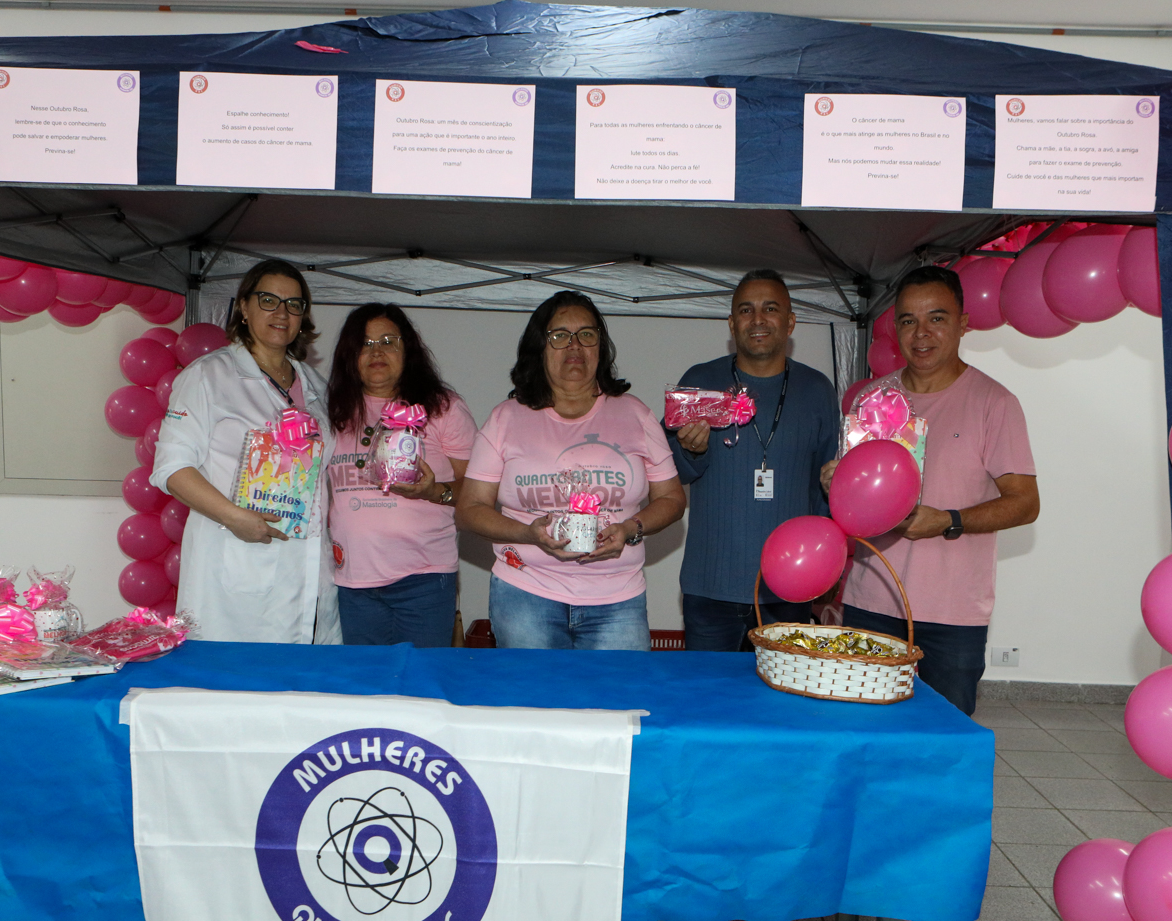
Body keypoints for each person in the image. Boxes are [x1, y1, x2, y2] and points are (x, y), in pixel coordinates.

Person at [826, 264, 1039, 716]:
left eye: (937, 318)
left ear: (963, 323)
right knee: (863, 729)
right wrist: (837, 481)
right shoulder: (873, 399)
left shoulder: (994, 403)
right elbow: (859, 501)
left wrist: (949, 521)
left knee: (945, 740)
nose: (921, 333)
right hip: (871, 600)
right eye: (907, 320)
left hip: (953, 613)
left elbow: (1025, 504)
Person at [457, 291, 687, 650]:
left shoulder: (635, 414)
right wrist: (528, 533)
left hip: (617, 600)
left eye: (587, 334)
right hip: (525, 594)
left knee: (617, 704)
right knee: (535, 705)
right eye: (559, 335)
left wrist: (630, 528)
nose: (574, 345)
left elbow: (672, 499)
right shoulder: (506, 418)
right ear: (540, 347)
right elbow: (469, 510)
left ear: (601, 345)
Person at [151, 260, 341, 644]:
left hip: (307, 566)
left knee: (302, 689)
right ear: (243, 306)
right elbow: (172, 468)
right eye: (268, 300)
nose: (281, 313)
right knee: (233, 689)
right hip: (235, 555)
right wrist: (235, 518)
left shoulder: (317, 385)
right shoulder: (207, 376)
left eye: (294, 304)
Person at [669, 269, 840, 652]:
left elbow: (828, 489)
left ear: (790, 321)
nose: (758, 319)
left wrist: (826, 565)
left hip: (790, 587)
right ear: (732, 324)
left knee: (779, 706)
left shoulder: (817, 390)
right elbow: (667, 473)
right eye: (746, 310)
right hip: (710, 586)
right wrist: (691, 450)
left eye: (771, 309)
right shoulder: (699, 382)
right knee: (709, 704)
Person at [324, 303, 477, 647]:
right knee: (364, 691)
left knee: (419, 688)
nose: (376, 351)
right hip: (353, 581)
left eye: (388, 341)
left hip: (423, 580)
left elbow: (478, 490)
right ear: (350, 355)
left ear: (408, 350)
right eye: (365, 343)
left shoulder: (442, 407)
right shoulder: (331, 410)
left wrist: (432, 491)